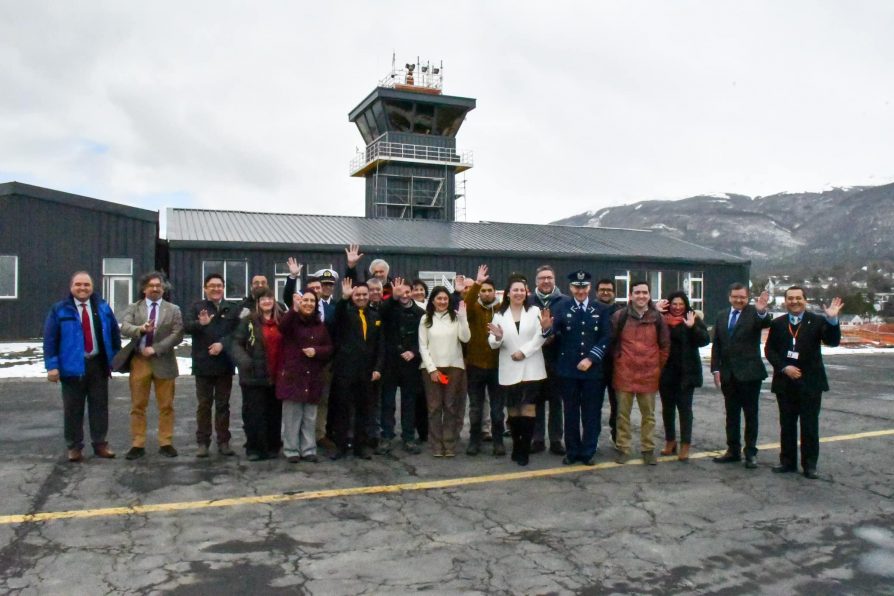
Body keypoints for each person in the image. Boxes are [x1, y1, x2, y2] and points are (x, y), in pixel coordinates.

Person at [43, 271, 121, 462]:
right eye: (78, 284)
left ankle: (100, 444)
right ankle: (74, 447)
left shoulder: (102, 307)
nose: (82, 288)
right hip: (71, 367)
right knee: (73, 409)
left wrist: (116, 358)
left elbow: (113, 333)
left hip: (98, 364)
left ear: (92, 287)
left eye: (86, 284)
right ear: (71, 287)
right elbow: (50, 339)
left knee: (99, 407)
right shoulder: (60, 310)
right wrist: (52, 366)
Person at [765, 288, 842, 479]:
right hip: (785, 383)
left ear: (805, 300)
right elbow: (770, 350)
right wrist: (784, 368)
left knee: (809, 425)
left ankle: (809, 465)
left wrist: (832, 320)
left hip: (810, 383)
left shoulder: (817, 321)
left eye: (798, 298)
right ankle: (787, 462)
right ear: (785, 302)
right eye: (790, 298)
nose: (794, 301)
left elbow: (832, 341)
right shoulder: (778, 323)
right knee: (787, 425)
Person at [542, 270, 611, 466]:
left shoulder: (601, 309)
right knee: (570, 412)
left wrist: (591, 358)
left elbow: (606, 337)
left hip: (593, 371)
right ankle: (572, 451)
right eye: (576, 287)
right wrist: (546, 328)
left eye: (584, 287)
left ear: (589, 288)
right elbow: (552, 333)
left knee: (591, 413)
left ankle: (588, 451)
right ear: (571, 288)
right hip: (568, 370)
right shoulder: (561, 307)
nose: (580, 291)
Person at [119, 271, 184, 460]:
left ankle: (166, 442)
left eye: (159, 286)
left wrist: (156, 349)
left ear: (163, 288)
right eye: (151, 286)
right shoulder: (135, 307)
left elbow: (177, 333)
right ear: (144, 289)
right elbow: (124, 327)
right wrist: (140, 329)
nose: (155, 288)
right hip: (140, 362)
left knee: (166, 405)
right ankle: (137, 444)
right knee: (138, 405)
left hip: (164, 361)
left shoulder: (173, 309)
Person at [710, 283, 771, 469]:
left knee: (751, 415)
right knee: (732, 415)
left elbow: (765, 323)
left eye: (742, 297)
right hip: (728, 375)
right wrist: (716, 370)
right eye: (735, 296)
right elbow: (717, 345)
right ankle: (733, 450)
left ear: (747, 297)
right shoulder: (721, 316)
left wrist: (761, 312)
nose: (739, 300)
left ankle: (751, 452)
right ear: (729, 297)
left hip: (750, 374)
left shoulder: (754, 313)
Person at [488, 277, 547, 466]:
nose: (519, 293)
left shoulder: (535, 311)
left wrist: (524, 352)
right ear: (508, 293)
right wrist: (497, 338)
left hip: (532, 366)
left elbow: (541, 336)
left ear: (527, 292)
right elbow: (493, 342)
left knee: (529, 407)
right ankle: (516, 445)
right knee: (513, 410)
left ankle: (524, 450)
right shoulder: (499, 315)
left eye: (522, 290)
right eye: (515, 290)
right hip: (509, 367)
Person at [611, 280, 670, 465]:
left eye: (644, 292)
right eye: (637, 292)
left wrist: (656, 365)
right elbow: (612, 343)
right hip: (624, 372)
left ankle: (648, 449)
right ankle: (623, 448)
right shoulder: (619, 316)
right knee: (622, 415)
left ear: (649, 295)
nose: (641, 296)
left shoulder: (657, 318)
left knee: (649, 416)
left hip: (649, 373)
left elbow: (665, 345)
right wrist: (619, 361)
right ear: (630, 295)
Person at [185, 273, 241, 457]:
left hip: (224, 363)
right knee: (204, 405)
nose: (216, 289)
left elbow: (236, 333)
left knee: (223, 405)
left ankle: (224, 441)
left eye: (219, 286)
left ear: (223, 288)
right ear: (205, 288)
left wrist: (222, 345)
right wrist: (200, 324)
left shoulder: (231, 308)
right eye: (212, 286)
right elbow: (186, 327)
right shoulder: (197, 307)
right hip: (203, 364)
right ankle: (203, 442)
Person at [329, 278, 385, 459]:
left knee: (364, 411)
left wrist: (378, 368)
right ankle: (341, 446)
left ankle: (360, 447)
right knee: (342, 410)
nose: (361, 297)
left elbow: (380, 345)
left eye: (364, 294)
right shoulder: (345, 313)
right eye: (357, 294)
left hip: (367, 372)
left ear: (370, 296)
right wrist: (344, 298)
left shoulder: (375, 316)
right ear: (352, 296)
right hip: (345, 371)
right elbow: (335, 317)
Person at [277, 290, 334, 463]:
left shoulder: (320, 325)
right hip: (293, 376)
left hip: (313, 377)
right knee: (292, 416)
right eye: (305, 300)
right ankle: (291, 450)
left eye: (312, 301)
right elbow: (282, 327)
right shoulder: (292, 321)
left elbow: (329, 348)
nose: (308, 303)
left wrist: (316, 351)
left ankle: (308, 449)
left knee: (309, 416)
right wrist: (293, 309)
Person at [230, 288, 285, 461]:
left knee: (274, 413)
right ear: (258, 302)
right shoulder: (249, 321)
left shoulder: (281, 320)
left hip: (276, 374)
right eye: (263, 299)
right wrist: (245, 361)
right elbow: (235, 344)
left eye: (270, 298)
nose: (267, 302)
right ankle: (254, 448)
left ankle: (273, 446)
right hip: (253, 375)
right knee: (254, 414)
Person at [419, 285, 471, 457]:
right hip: (431, 369)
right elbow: (422, 346)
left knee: (450, 406)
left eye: (445, 299)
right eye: (439, 298)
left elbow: (465, 338)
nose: (442, 302)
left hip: (454, 366)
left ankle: (449, 443)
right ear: (432, 300)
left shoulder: (455, 318)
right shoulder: (425, 319)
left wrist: (463, 319)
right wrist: (432, 369)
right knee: (434, 407)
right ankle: (436, 444)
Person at [658, 291, 711, 461]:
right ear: (669, 304)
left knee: (685, 409)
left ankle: (685, 445)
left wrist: (692, 327)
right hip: (666, 371)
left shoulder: (692, 317)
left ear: (686, 304)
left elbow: (704, 340)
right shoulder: (662, 319)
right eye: (674, 304)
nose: (678, 307)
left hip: (686, 372)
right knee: (667, 409)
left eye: (681, 304)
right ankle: (670, 441)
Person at [377, 277, 425, 454]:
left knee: (409, 403)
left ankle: (408, 437)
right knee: (388, 402)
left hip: (410, 364)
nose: (404, 295)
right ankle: (387, 436)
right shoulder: (390, 308)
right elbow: (381, 312)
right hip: (391, 363)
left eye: (407, 292)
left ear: (412, 292)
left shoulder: (419, 313)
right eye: (400, 292)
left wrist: (414, 352)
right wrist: (393, 298)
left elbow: (423, 339)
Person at [527, 265, 570, 456]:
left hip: (556, 358)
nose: (546, 281)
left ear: (554, 280)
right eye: (542, 278)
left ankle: (555, 439)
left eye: (549, 278)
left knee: (555, 401)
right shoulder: (528, 301)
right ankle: (537, 439)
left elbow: (569, 328)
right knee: (535, 400)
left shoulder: (565, 301)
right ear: (536, 281)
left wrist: (554, 335)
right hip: (534, 359)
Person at [464, 265, 504, 456]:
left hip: (497, 367)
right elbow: (466, 302)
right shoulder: (473, 309)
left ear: (495, 292)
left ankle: (498, 441)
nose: (486, 293)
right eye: (483, 290)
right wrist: (477, 282)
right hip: (475, 365)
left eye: (489, 290)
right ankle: (474, 440)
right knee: (475, 407)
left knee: (497, 408)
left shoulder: (502, 309)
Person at [595, 278, 623, 447]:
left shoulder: (622, 313)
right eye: (602, 289)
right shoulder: (590, 310)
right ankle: (593, 437)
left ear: (614, 293)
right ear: (596, 292)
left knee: (618, 405)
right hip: (596, 365)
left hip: (616, 366)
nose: (605, 292)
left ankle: (617, 437)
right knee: (593, 405)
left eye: (609, 290)